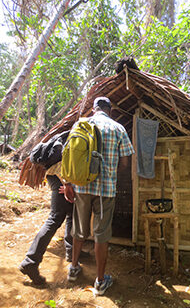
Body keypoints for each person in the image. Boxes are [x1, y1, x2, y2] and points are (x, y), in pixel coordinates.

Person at [64, 96, 134, 295]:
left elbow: (68, 156)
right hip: (105, 190)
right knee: (101, 235)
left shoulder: (80, 125)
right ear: (110, 110)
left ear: (94, 109)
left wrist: (68, 183)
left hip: (82, 187)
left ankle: (74, 268)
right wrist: (112, 173)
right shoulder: (118, 128)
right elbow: (126, 163)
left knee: (79, 230)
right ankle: (101, 281)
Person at [19, 163, 74, 285]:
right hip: (62, 179)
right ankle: (30, 262)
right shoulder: (65, 142)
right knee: (54, 219)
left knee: (72, 214)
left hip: (56, 177)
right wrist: (67, 183)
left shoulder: (51, 142)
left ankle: (72, 251)